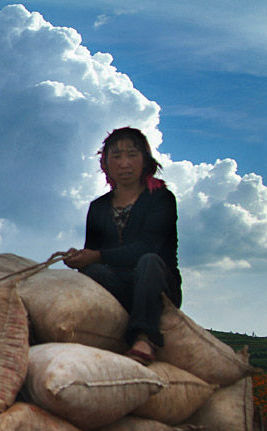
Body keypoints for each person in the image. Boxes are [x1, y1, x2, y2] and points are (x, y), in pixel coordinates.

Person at [64, 127, 181, 365]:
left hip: (156, 284)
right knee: (92, 271)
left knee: (148, 260)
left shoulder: (161, 198)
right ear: (105, 165)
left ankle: (145, 338)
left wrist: (97, 256)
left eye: (132, 155)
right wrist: (81, 258)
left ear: (145, 161)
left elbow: (148, 246)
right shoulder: (98, 207)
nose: (124, 163)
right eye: (116, 156)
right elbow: (93, 255)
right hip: (120, 287)